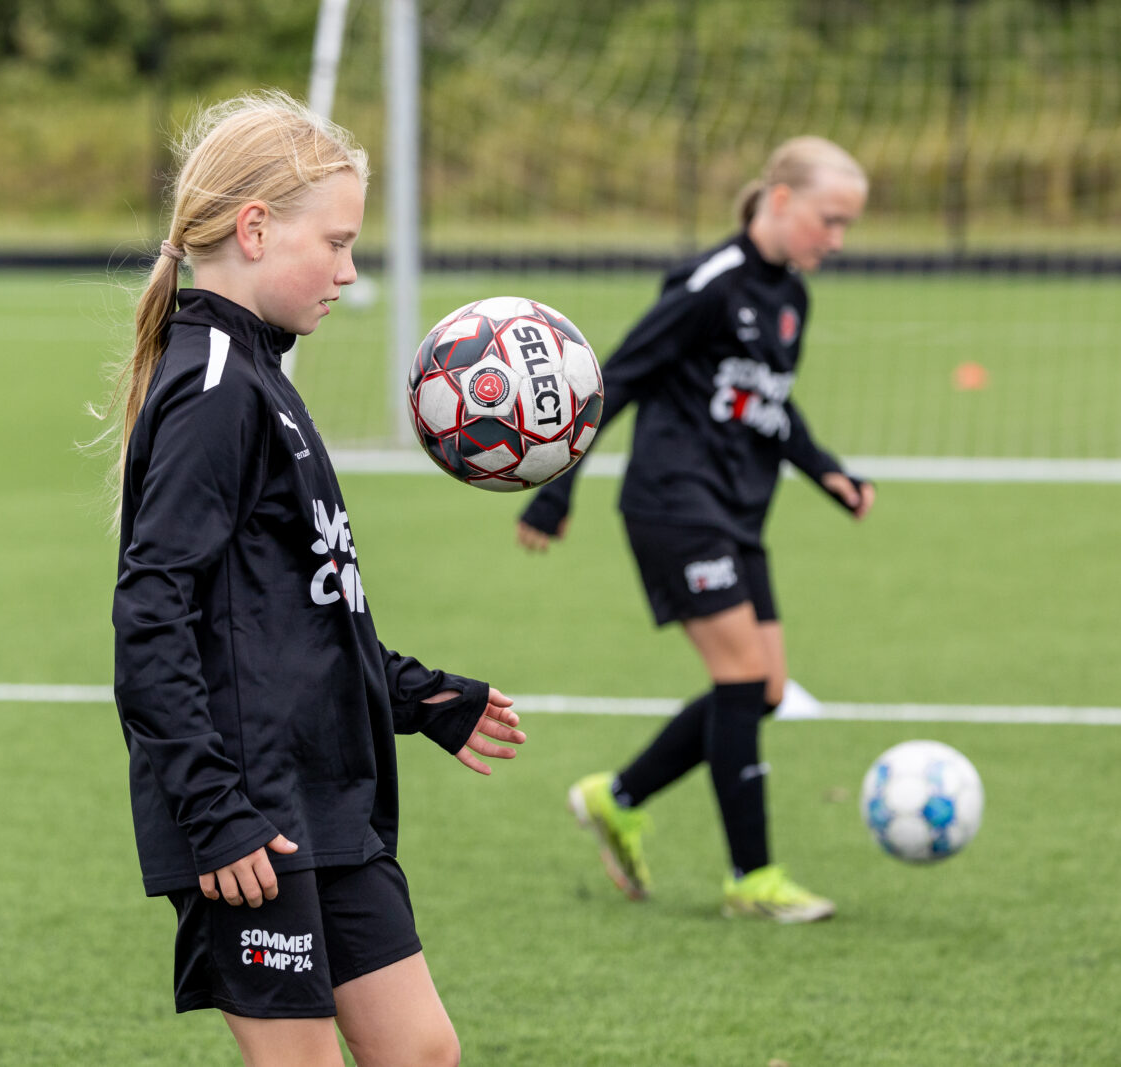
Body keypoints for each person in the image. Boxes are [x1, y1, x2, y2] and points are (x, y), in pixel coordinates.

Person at [110, 90, 526, 1066]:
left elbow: (297, 609)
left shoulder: (265, 376)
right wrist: (214, 811)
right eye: (336, 243)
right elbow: (151, 615)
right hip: (248, 809)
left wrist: (418, 696)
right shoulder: (214, 386)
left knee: (420, 1049)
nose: (349, 271)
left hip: (324, 791)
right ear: (254, 229)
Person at [517, 136, 874, 923]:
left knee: (766, 688)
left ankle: (616, 798)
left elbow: (769, 401)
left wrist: (828, 472)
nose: (838, 239)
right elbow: (617, 376)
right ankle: (753, 879)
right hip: (674, 504)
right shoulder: (709, 284)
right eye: (829, 219)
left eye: (847, 224)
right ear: (780, 199)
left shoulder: (792, 295)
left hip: (738, 513)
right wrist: (556, 487)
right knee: (743, 679)